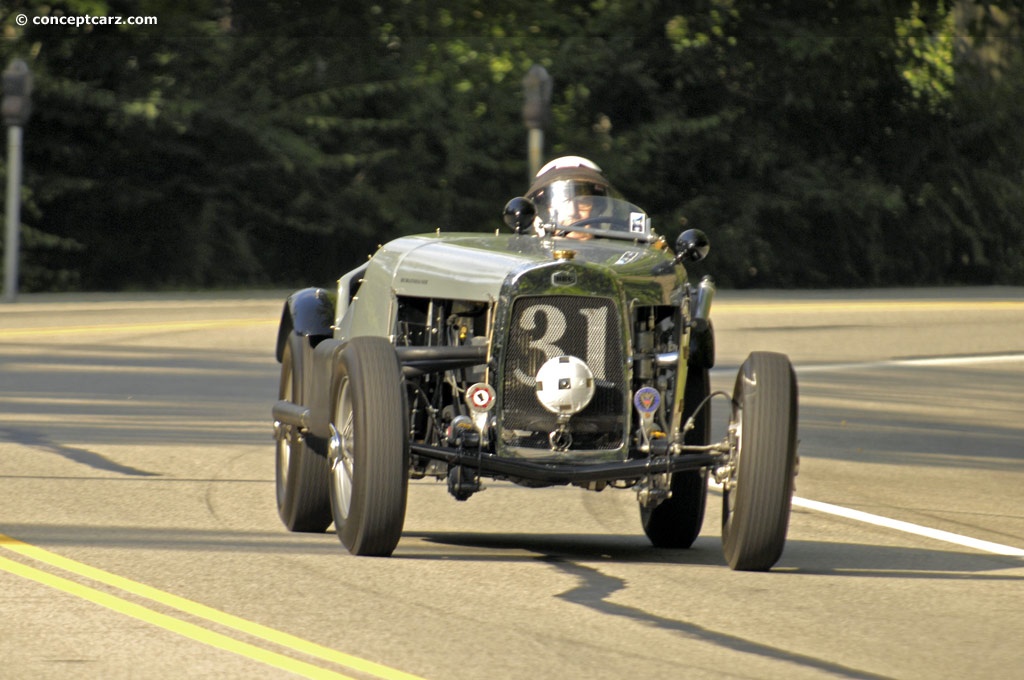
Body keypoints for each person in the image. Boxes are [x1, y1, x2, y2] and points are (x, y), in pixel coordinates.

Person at [525, 156, 622, 238]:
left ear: (601, 210)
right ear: (542, 213)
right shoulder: (522, 258)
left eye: (583, 202)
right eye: (560, 203)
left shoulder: (620, 258)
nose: (572, 212)